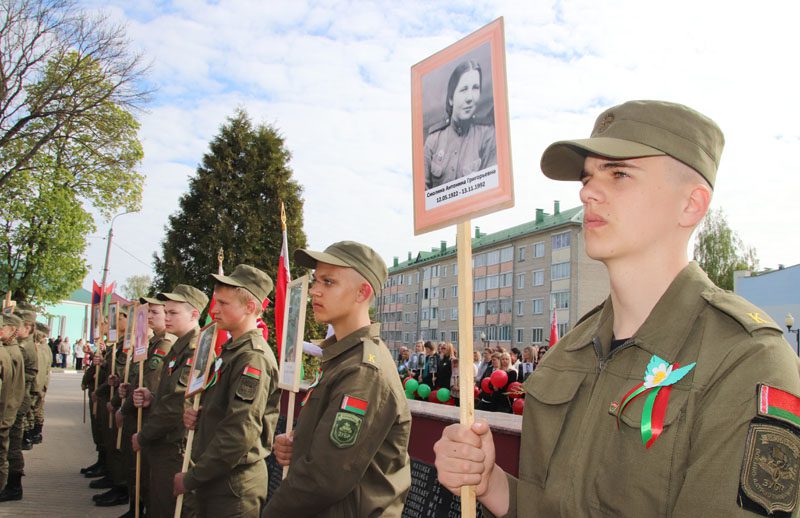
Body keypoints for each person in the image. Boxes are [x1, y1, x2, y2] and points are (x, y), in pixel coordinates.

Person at [434, 100, 800, 516]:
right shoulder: (568, 353)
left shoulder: (745, 361)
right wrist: (491, 483)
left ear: (691, 204)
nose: (587, 191)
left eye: (620, 173)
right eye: (588, 177)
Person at [264, 241, 411, 516]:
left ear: (362, 292)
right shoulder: (342, 357)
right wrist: (301, 444)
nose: (315, 291)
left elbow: (323, 479)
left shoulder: (362, 370)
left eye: (328, 282)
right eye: (316, 280)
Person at [176, 264, 280, 517]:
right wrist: (201, 416)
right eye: (215, 302)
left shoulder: (252, 358)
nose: (214, 310)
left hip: (232, 485)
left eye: (224, 303)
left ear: (250, 308)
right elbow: (224, 409)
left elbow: (240, 432)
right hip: (217, 476)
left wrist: (192, 478)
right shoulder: (233, 350)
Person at [132, 284, 208, 518]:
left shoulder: (195, 349)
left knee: (167, 508)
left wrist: (144, 436)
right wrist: (151, 397)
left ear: (194, 314)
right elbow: (169, 396)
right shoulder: (179, 346)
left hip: (175, 445)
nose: (166, 317)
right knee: (158, 504)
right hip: (165, 442)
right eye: (166, 311)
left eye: (173, 313)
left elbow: (177, 404)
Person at [118, 296, 175, 518]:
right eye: (148, 312)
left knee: (146, 475)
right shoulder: (151, 343)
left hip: (150, 418)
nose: (149, 316)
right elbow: (137, 379)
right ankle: (135, 508)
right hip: (141, 413)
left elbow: (151, 383)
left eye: (155, 312)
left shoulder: (165, 345)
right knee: (136, 470)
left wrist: (124, 408)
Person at [424, 60, 496, 190]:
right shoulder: (433, 140)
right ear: (451, 98)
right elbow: (423, 193)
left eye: (475, 88)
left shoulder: (487, 136)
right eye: (463, 89)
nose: (470, 98)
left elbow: (491, 188)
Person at [0, 313, 24, 498]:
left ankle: (9, 488)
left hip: (6, 410)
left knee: (5, 453)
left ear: (13, 331)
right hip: (8, 409)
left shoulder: (10, 353)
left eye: (4, 327)